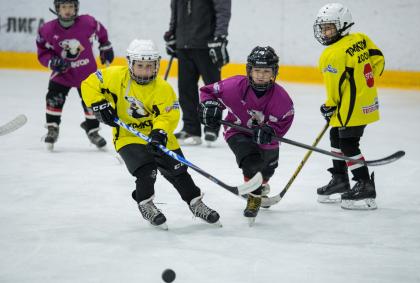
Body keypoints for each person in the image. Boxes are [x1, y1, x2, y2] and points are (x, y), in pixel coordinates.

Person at [81, 39, 221, 230]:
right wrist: (98, 103)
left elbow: (169, 114)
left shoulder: (162, 88)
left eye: (150, 66)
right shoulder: (115, 76)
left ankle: (196, 203)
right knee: (147, 170)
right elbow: (88, 83)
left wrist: (160, 132)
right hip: (127, 136)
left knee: (179, 171)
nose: (146, 70)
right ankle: (145, 203)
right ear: (130, 64)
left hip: (159, 135)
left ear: (157, 65)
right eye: (140, 66)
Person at [198, 46, 294, 223]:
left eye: (266, 71)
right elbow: (208, 92)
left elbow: (284, 120)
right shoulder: (234, 86)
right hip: (237, 130)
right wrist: (210, 106)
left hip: (265, 138)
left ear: (274, 72)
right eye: (257, 70)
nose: (261, 75)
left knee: (268, 169)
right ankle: (254, 197)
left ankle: (260, 185)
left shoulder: (281, 99)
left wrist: (272, 131)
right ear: (249, 70)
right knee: (251, 162)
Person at [313, 3, 385, 210]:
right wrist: (364, 84)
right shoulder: (361, 38)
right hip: (366, 102)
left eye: (329, 27)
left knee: (348, 144)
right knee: (335, 136)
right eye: (323, 28)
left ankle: (364, 184)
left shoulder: (331, 54)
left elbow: (333, 89)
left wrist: (329, 107)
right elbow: (378, 59)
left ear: (342, 25)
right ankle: (340, 179)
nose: (325, 32)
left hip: (350, 108)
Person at [36, 0, 114, 150]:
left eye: (71, 6)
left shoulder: (87, 22)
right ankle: (52, 128)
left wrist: (105, 45)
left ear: (76, 8)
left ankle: (92, 130)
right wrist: (52, 61)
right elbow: (42, 51)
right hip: (62, 74)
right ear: (57, 9)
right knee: (54, 98)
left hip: (87, 73)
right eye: (64, 7)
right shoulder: (48, 29)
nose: (67, 10)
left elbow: (101, 31)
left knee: (92, 102)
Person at [164, 0, 231, 146]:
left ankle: (211, 126)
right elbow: (175, 10)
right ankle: (190, 129)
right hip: (184, 45)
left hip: (208, 44)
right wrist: (172, 33)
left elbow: (223, 10)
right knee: (185, 89)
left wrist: (220, 36)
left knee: (213, 89)